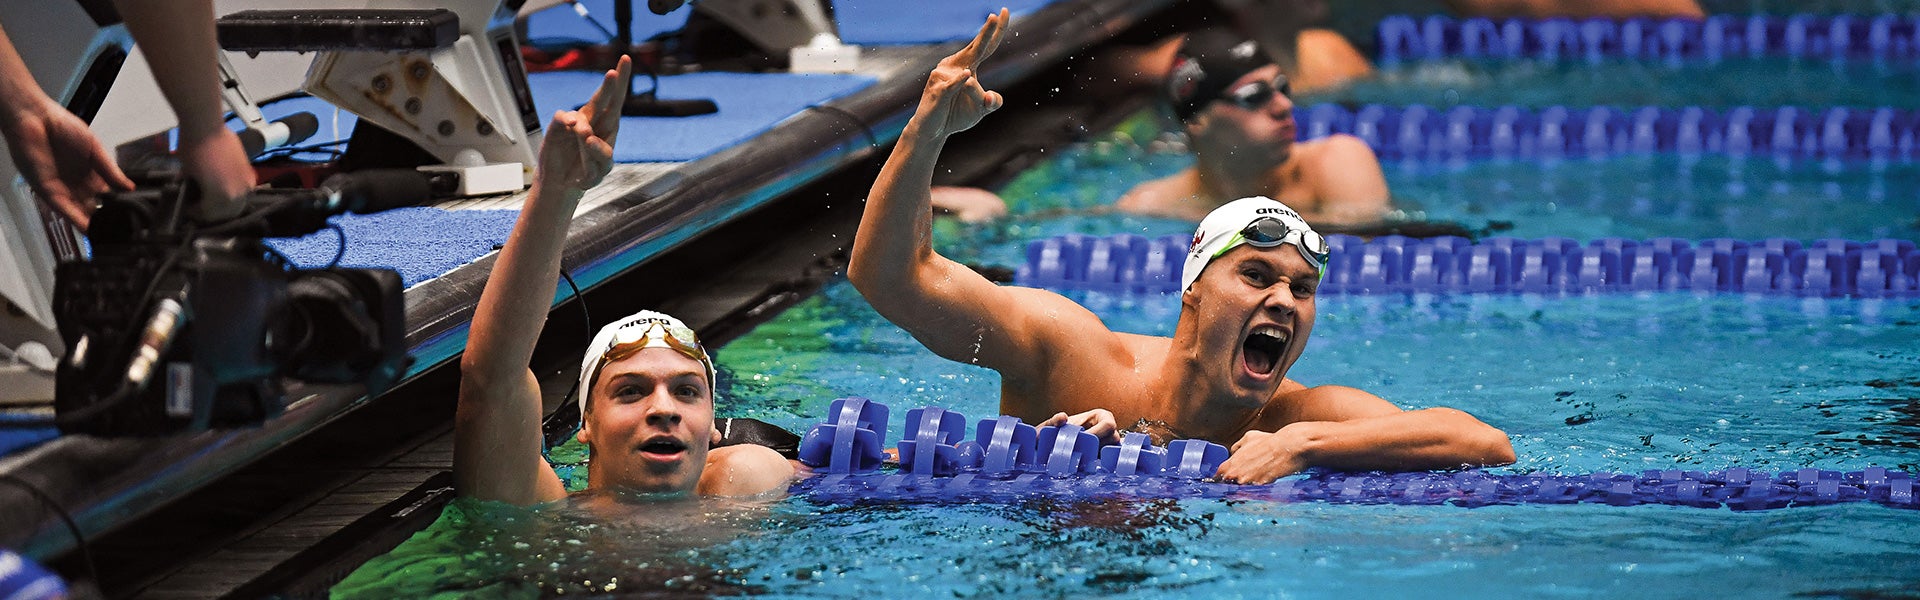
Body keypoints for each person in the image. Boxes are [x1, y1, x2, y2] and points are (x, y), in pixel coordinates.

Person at [847, 10, 1514, 485]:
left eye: (1302, 289)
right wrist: (925, 133)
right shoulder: (1072, 351)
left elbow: (1484, 442)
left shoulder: (1298, 414)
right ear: (1194, 286)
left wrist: (1306, 445)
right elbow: (890, 279)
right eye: (1256, 275)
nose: (1283, 300)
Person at [454, 57, 792, 505]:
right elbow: (491, 377)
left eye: (687, 391)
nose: (664, 410)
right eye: (630, 391)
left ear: (713, 426)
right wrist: (556, 192)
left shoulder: (748, 482)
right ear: (586, 424)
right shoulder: (544, 515)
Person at [1114, 27, 1390, 226]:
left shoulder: (1338, 160)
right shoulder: (1149, 205)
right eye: (1254, 96)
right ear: (1198, 121)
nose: (1283, 105)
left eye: (1282, 87)